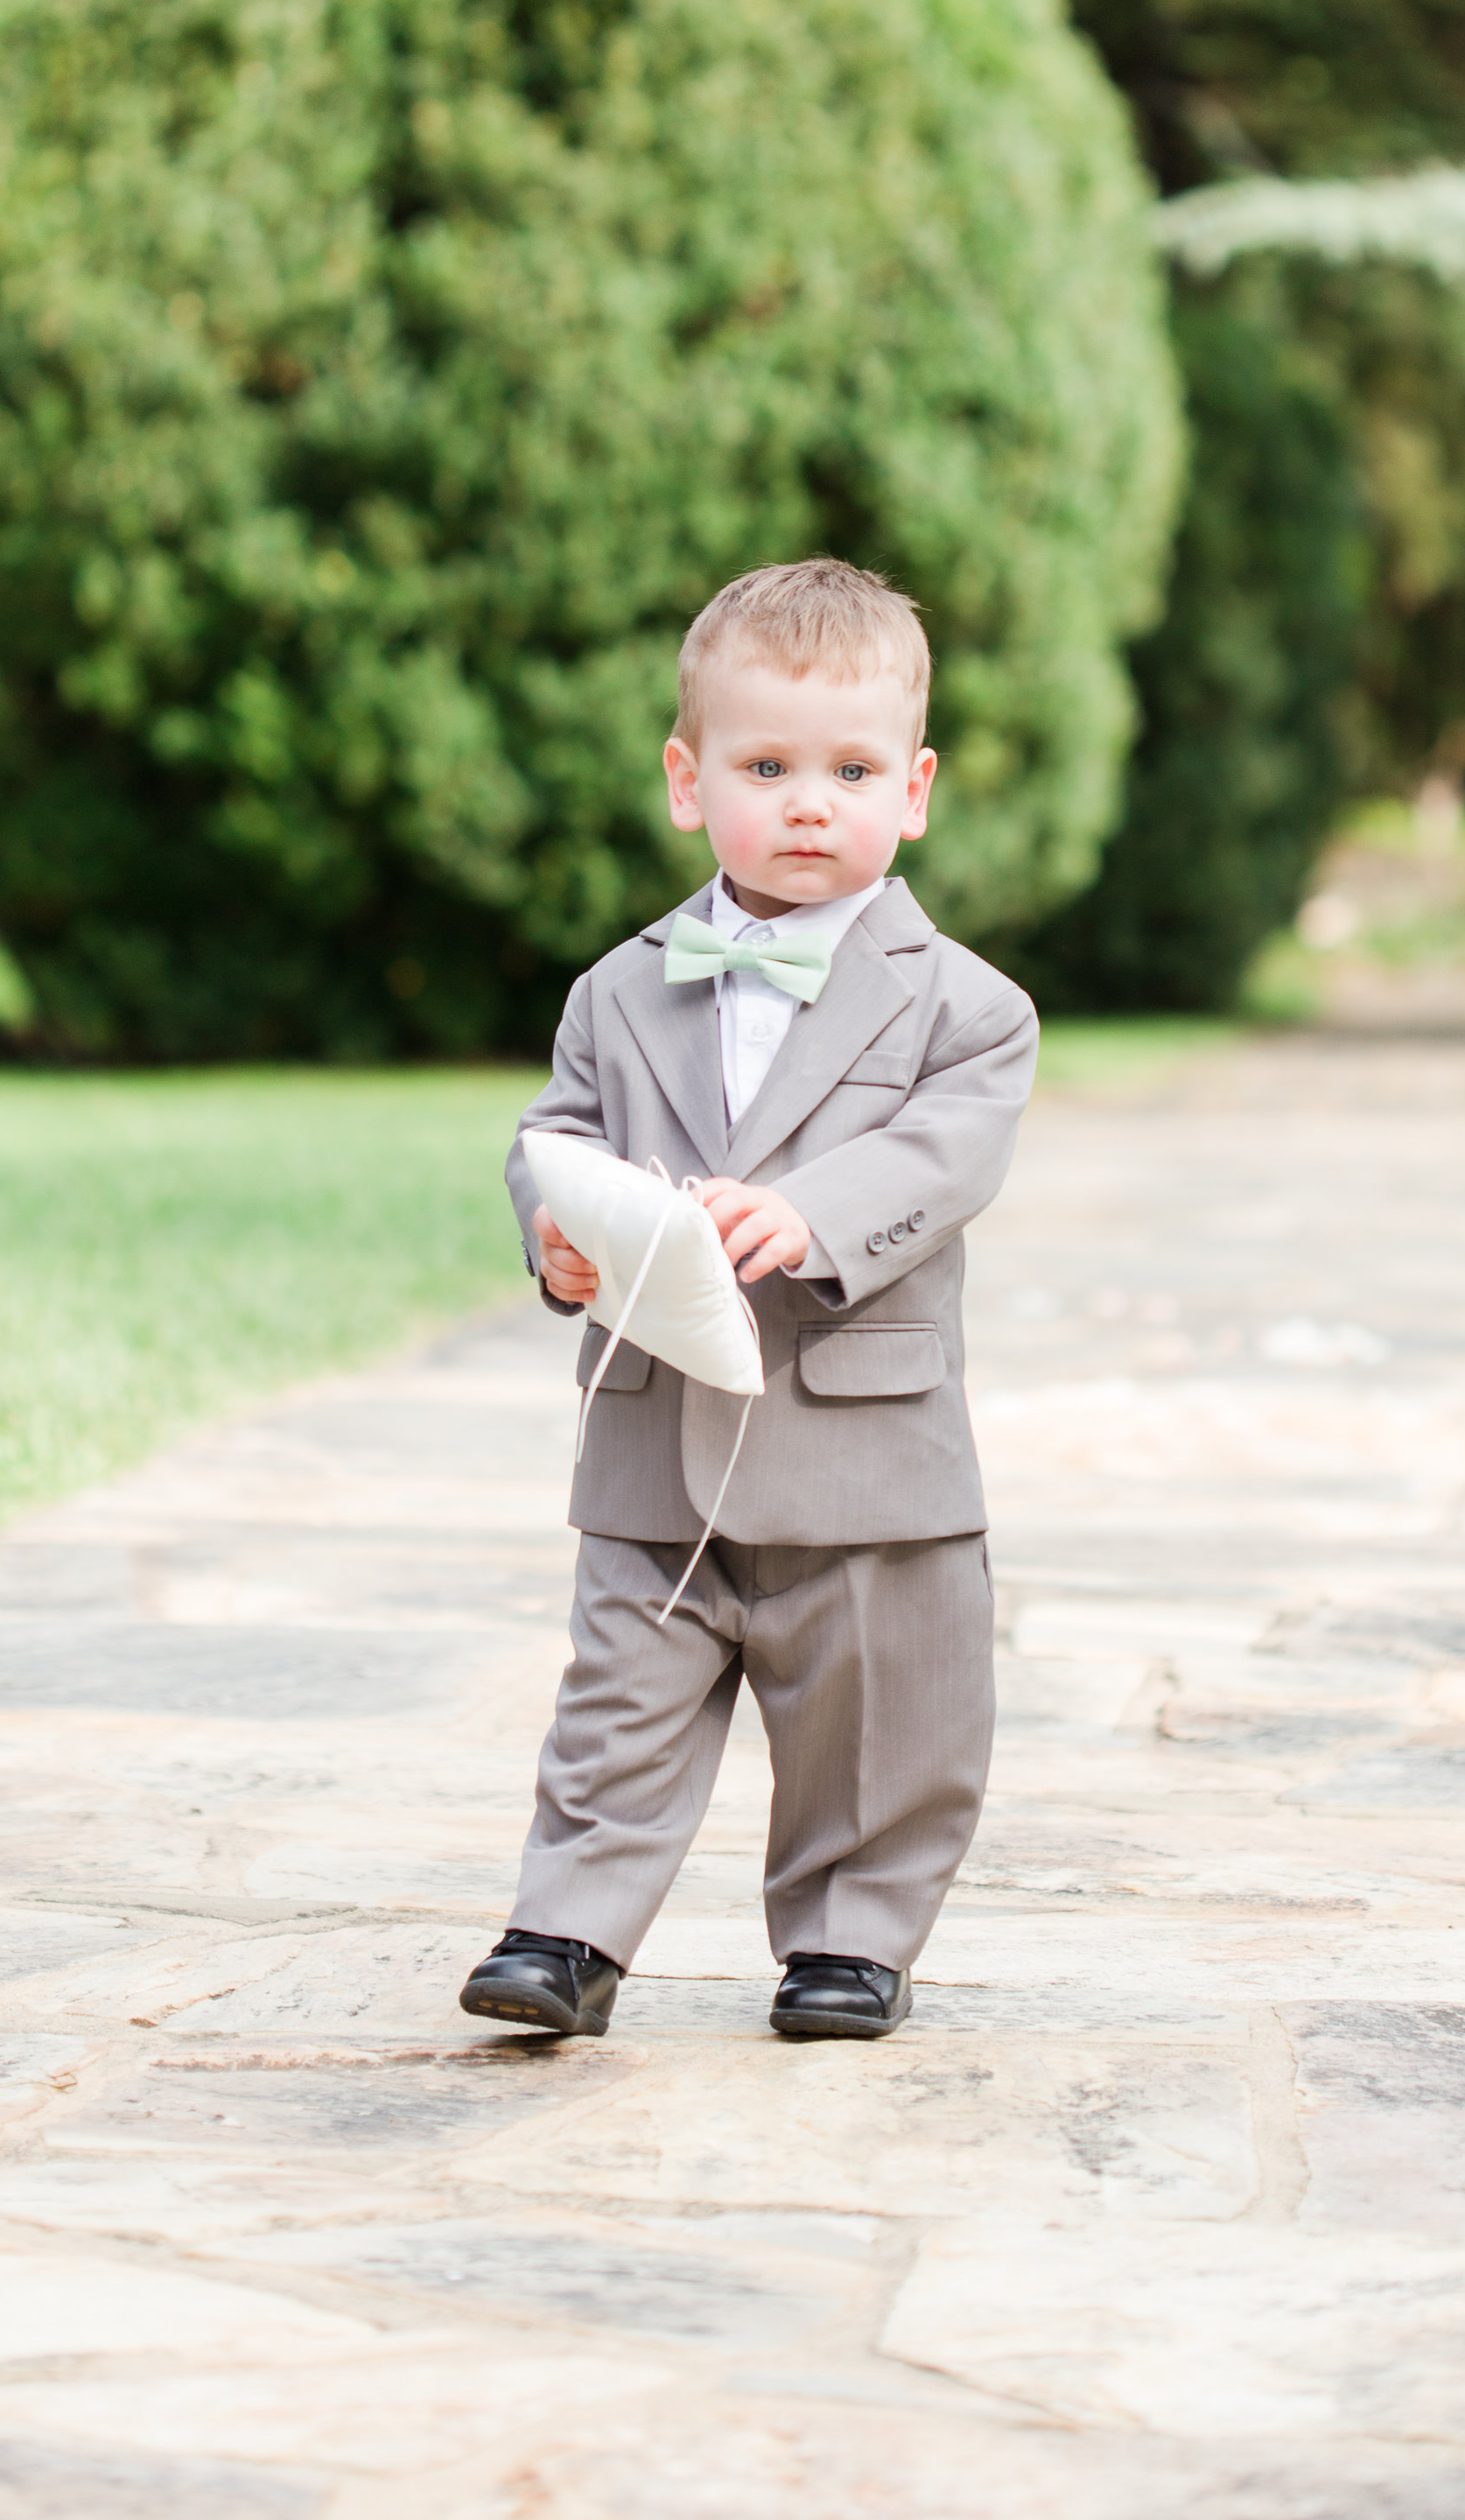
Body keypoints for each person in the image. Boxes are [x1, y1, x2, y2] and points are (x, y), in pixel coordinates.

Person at [458, 559, 1038, 2041]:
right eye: (764, 766)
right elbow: (556, 1138)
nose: (805, 802)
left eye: (848, 771)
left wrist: (810, 1210)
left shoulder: (966, 1006)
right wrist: (557, 1241)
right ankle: (567, 1928)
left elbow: (945, 1152)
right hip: (658, 1434)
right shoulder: (618, 990)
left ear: (912, 791)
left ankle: (851, 1936)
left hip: (862, 1442)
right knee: (619, 1698)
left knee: (878, 1710)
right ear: (686, 777)